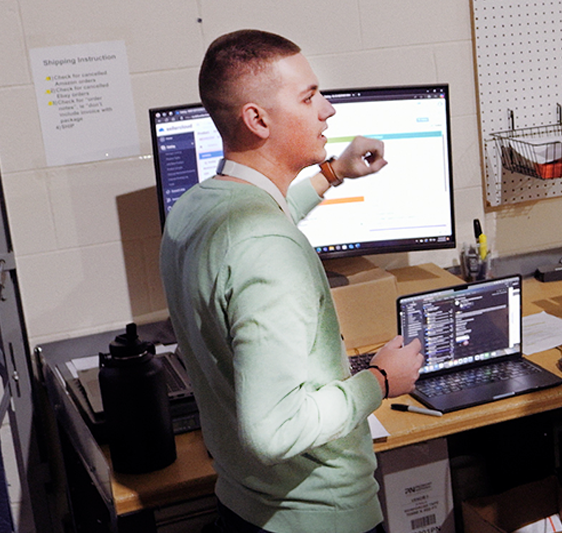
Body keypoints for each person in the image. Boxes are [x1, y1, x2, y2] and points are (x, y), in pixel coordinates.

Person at [160, 30, 424, 533]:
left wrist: (332, 173)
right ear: (257, 119)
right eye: (309, 97)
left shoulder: (198, 208)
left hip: (245, 504)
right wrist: (381, 380)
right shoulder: (267, 247)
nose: (329, 110)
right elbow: (274, 431)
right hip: (319, 516)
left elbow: (258, 227)